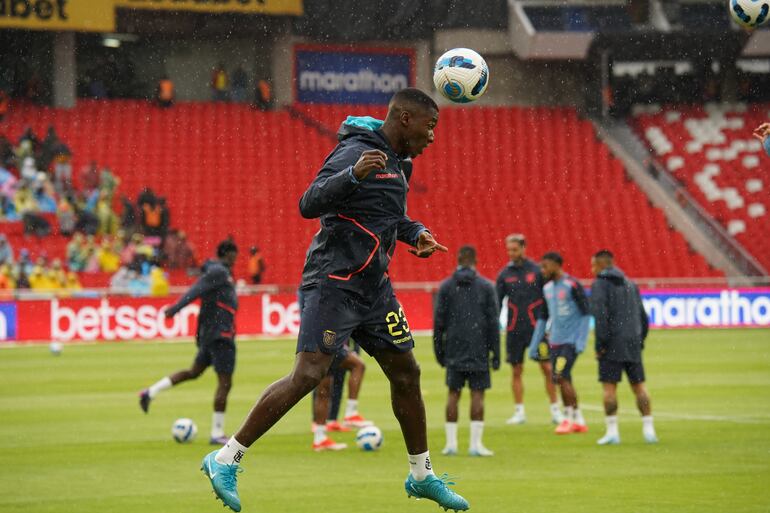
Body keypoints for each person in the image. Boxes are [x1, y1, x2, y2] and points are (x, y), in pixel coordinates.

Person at [200, 88, 468, 513]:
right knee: (308, 375)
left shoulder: (401, 165)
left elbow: (388, 216)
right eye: (429, 125)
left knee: (407, 373)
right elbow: (309, 203)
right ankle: (224, 458)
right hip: (334, 282)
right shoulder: (355, 153)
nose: (433, 136)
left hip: (374, 289)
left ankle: (421, 475)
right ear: (403, 119)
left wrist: (414, 232)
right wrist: (354, 175)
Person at [139, 240, 239, 446]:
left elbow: (205, 305)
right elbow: (196, 290)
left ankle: (151, 392)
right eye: (234, 255)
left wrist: (199, 336)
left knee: (193, 372)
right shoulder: (219, 272)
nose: (236, 259)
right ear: (228, 254)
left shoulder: (218, 272)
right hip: (221, 336)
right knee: (225, 382)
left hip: (212, 334)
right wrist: (175, 309)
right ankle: (217, 432)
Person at [434, 246, 500, 457]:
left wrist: (439, 350)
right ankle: (475, 445)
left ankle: (451, 444)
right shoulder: (486, 287)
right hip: (478, 348)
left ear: (458, 259)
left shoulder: (446, 287)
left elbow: (439, 322)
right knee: (477, 394)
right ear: (475, 261)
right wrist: (495, 352)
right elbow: (493, 323)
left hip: (454, 348)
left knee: (453, 393)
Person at [590, 250, 657, 445]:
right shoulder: (630, 283)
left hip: (611, 344)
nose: (591, 269)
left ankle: (612, 432)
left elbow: (600, 317)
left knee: (609, 389)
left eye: (593, 265)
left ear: (601, 265)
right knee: (639, 386)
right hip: (632, 343)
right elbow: (643, 317)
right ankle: (648, 429)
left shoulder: (600, 285)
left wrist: (600, 345)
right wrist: (640, 340)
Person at [495, 234, 562, 426]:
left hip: (537, 331)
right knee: (516, 370)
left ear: (524, 248)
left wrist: (550, 326)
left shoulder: (538, 271)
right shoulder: (504, 275)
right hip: (514, 330)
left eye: (514, 249)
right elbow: (497, 304)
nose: (511, 253)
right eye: (509, 250)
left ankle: (555, 410)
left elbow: (549, 298)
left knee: (547, 369)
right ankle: (519, 412)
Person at [528, 252, 590, 435]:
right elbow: (543, 317)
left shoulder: (572, 285)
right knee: (564, 378)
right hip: (554, 341)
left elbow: (586, 314)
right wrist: (534, 344)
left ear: (556, 265)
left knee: (560, 375)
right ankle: (579, 419)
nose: (542, 270)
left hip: (570, 341)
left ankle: (567, 419)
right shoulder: (547, 289)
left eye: (545, 266)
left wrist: (581, 341)